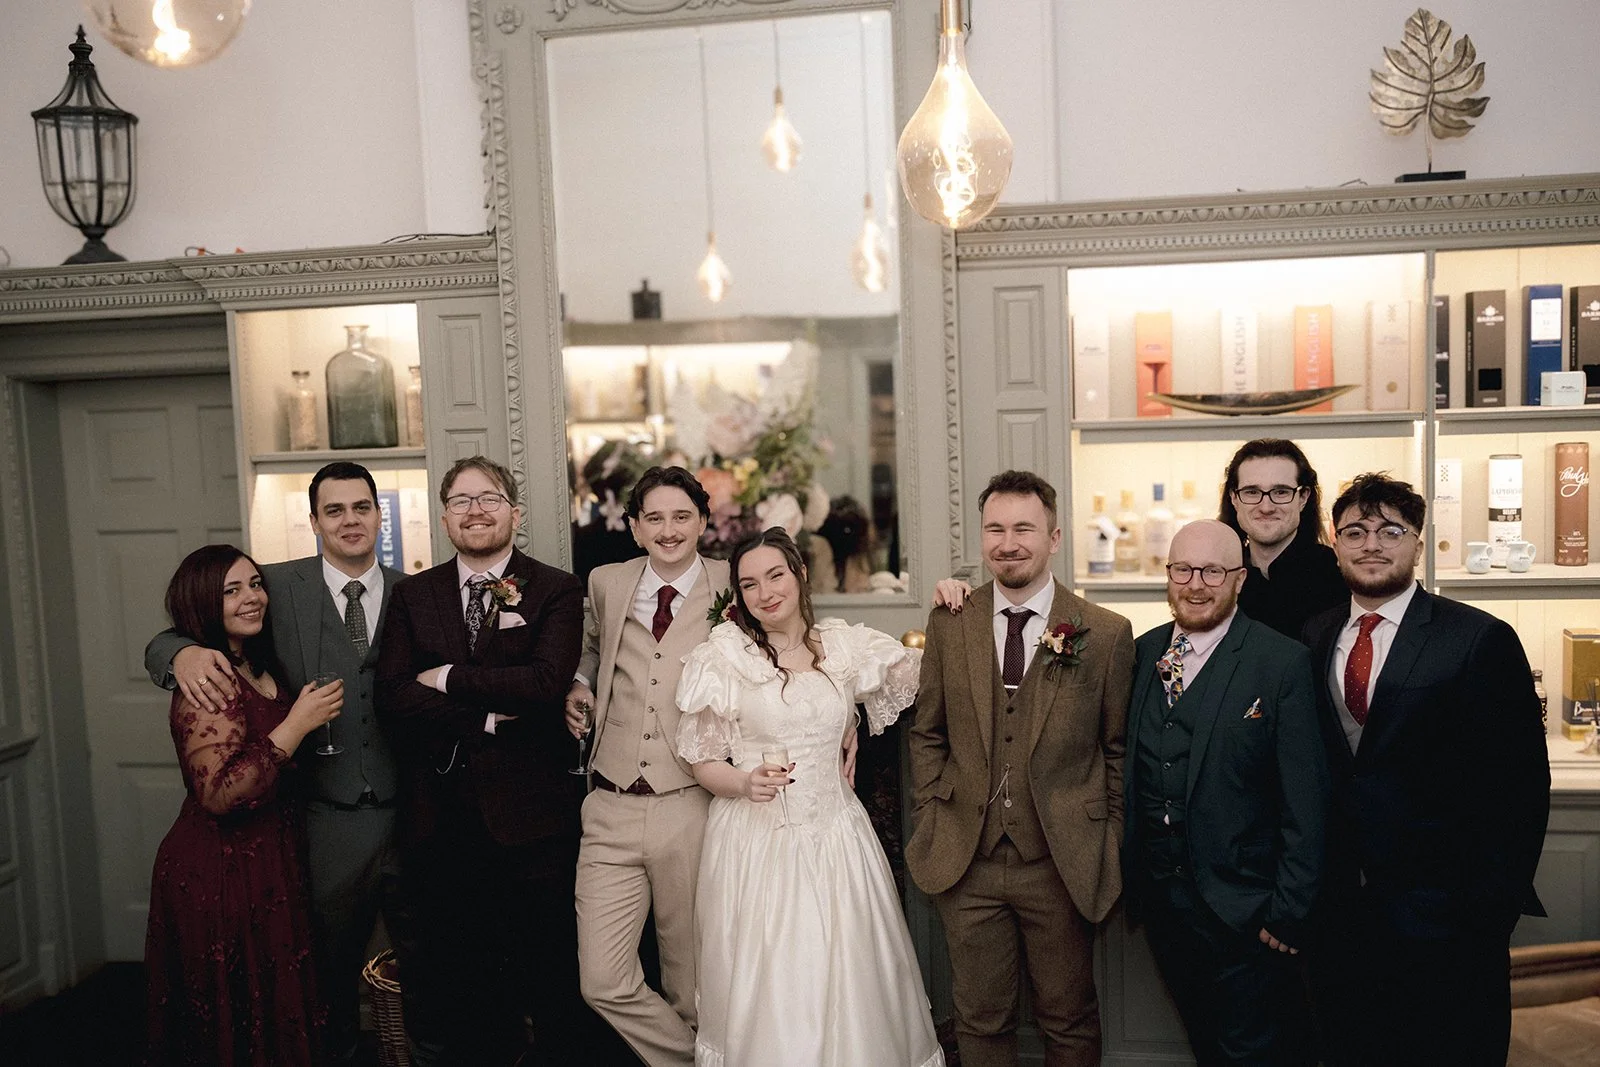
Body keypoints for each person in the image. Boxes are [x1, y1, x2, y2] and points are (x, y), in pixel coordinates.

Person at [144, 461, 406, 1066]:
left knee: (427, 974)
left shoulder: (415, 592)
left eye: (361, 507)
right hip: (319, 826)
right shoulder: (274, 588)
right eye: (333, 510)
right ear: (312, 521)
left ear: (378, 514)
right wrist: (177, 653)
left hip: (408, 816)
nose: (349, 520)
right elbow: (192, 615)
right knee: (319, 986)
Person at [1303, 473, 1550, 1066]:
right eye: (1356, 531)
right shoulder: (1313, 635)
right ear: (1335, 542)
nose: (1371, 544)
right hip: (1343, 917)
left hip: (1450, 918)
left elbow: (1521, 786)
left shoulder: (1478, 638)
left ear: (1419, 542)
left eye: (1391, 530)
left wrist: (1490, 911)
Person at [675, 527, 943, 1067]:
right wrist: (745, 782)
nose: (764, 592)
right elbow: (701, 759)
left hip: (837, 836)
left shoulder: (843, 646)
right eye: (748, 584)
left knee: (848, 976)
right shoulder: (724, 657)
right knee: (774, 980)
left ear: (799, 574)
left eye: (775, 575)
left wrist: (854, 717)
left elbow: (928, 669)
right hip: (756, 842)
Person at [375, 455, 606, 1065]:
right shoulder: (411, 595)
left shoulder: (555, 587)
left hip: (535, 823)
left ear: (515, 513)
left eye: (489, 498)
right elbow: (394, 695)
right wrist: (479, 712)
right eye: (461, 501)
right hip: (443, 824)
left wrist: (447, 676)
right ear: (445, 517)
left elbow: (544, 682)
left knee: (553, 977)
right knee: (467, 987)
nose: (475, 510)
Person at [908, 469, 1135, 1067]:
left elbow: (1115, 749)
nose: (1008, 542)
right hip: (967, 860)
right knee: (980, 1020)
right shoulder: (951, 619)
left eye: (1024, 529)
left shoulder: (1106, 633)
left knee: (1069, 1019)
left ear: (1054, 537)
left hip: (1061, 861)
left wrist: (1104, 839)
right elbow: (927, 730)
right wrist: (936, 806)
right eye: (995, 529)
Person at [1125, 520, 1327, 1066]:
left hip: (1246, 913)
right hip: (1164, 906)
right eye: (1183, 570)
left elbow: (1305, 800)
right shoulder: (1141, 655)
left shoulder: (1280, 662)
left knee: (1252, 1054)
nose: (1196, 584)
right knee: (1204, 1044)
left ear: (1238, 579)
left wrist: (1287, 913)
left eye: (1212, 571)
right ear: (1167, 576)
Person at [144, 544, 342, 1066]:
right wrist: (296, 727)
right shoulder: (204, 677)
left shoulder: (256, 656)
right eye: (231, 590)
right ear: (203, 603)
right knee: (234, 1022)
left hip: (272, 860)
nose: (252, 597)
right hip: (221, 872)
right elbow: (218, 793)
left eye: (255, 584)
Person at [563, 465, 728, 1066]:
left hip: (691, 801)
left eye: (682, 516)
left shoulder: (733, 585)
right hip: (607, 803)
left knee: (691, 981)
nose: (668, 529)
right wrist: (579, 684)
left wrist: (841, 722)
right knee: (602, 980)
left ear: (703, 523)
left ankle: (702, 1049)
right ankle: (698, 1062)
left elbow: (796, 641)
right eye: (654, 518)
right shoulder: (607, 582)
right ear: (633, 527)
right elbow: (591, 648)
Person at [1218, 439, 1346, 640]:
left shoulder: (1336, 575)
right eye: (1252, 492)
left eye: (1281, 492)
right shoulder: (1219, 578)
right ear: (1234, 498)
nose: (1266, 507)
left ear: (1303, 497)